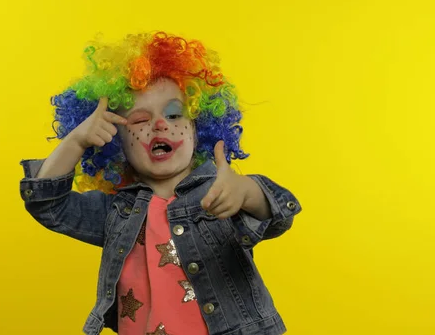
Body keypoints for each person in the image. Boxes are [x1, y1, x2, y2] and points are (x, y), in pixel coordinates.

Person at [19, 31, 302, 335]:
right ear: (116, 143)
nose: (159, 124)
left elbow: (277, 216)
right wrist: (76, 141)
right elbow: (48, 204)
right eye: (140, 120)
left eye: (174, 114)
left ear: (197, 129)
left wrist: (245, 192)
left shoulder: (219, 193)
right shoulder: (116, 211)